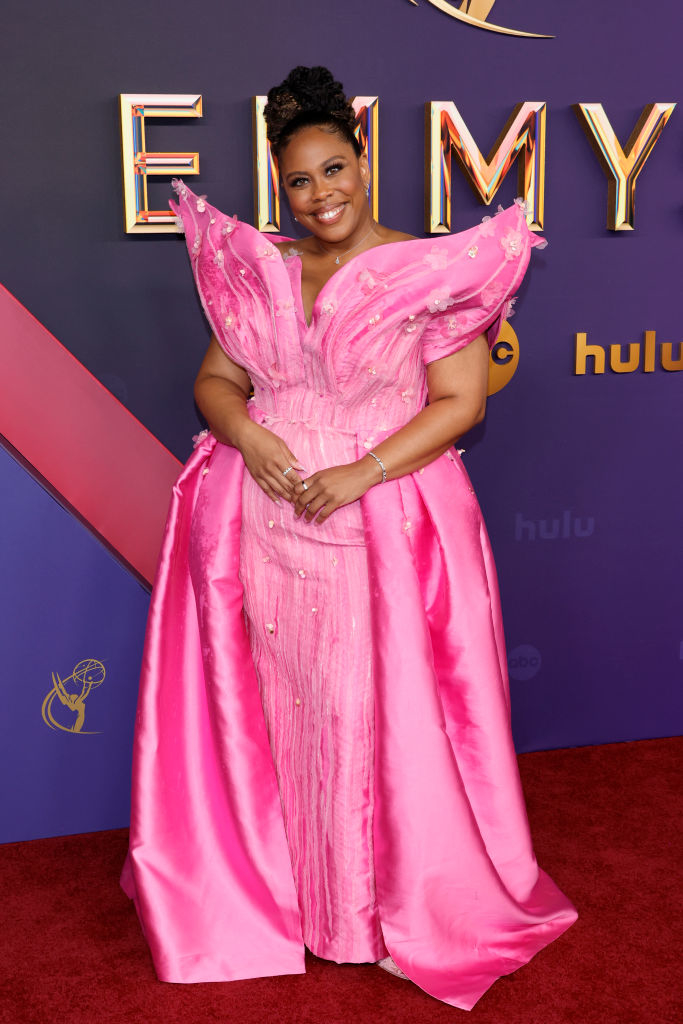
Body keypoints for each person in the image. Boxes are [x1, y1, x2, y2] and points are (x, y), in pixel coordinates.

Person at [121, 66, 577, 1010]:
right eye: (299, 180)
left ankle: (368, 913)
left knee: (367, 717)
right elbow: (216, 382)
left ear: (362, 162)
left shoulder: (424, 270)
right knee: (274, 714)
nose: (320, 193)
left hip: (376, 525)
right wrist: (247, 436)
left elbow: (460, 401)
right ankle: (281, 899)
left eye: (334, 169)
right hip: (259, 522)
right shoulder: (263, 273)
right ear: (279, 187)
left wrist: (360, 472)